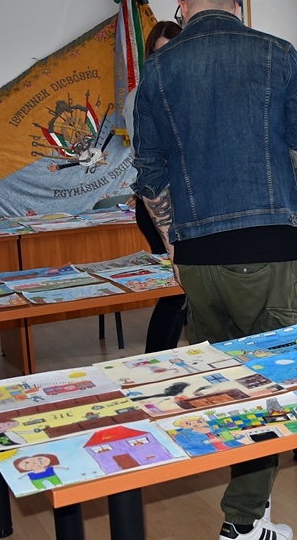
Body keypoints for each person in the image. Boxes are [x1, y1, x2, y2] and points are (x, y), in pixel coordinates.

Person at [133, 0, 297, 540]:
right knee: (271, 387)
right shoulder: (278, 54)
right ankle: (242, 523)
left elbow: (150, 178)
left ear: (184, 6)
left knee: (227, 387)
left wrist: (173, 244)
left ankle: (254, 518)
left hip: (199, 259)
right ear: (234, 3)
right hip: (271, 248)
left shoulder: (158, 70)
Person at [123, 19, 188, 353]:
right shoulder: (140, 97)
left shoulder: (190, 93)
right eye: (158, 53)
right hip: (160, 206)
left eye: (172, 51)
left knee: (191, 290)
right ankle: (154, 362)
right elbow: (150, 161)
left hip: (190, 204)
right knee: (176, 291)